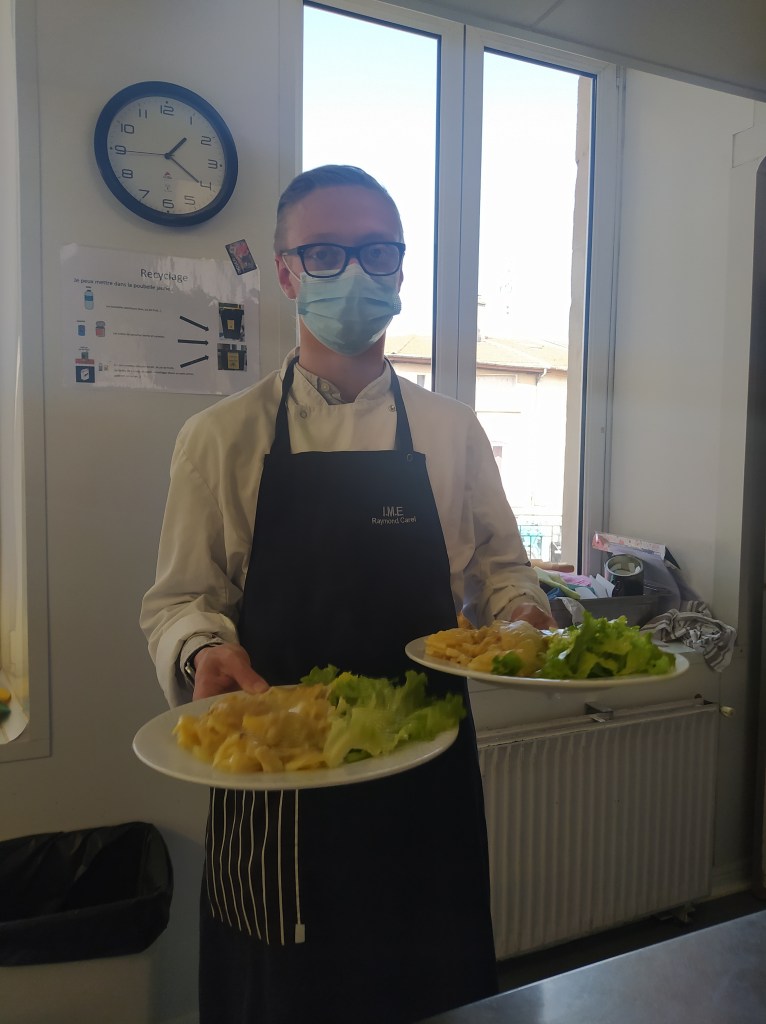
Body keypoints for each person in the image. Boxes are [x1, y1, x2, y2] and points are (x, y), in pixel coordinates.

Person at [141, 164, 554, 1024]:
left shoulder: (452, 429)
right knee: (282, 995)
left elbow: (504, 572)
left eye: (377, 253)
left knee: (430, 980)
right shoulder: (220, 437)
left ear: (400, 270)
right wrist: (203, 649)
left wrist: (521, 616)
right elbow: (180, 599)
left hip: (427, 762)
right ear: (288, 273)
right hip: (276, 771)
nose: (355, 273)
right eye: (326, 254)